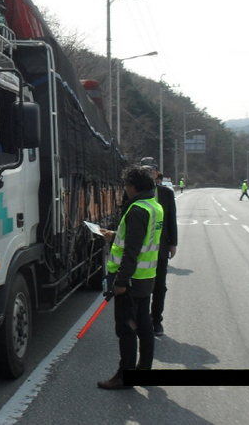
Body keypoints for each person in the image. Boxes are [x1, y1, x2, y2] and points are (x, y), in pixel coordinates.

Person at [97, 165, 164, 390]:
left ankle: (124, 375)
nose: (125, 190)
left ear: (133, 187)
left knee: (126, 327)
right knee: (144, 324)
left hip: (131, 279)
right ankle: (144, 368)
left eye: (126, 185)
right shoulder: (154, 206)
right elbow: (141, 241)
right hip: (147, 277)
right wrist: (114, 237)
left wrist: (120, 283)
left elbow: (131, 252)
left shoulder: (136, 210)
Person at [152, 171, 178, 336]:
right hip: (140, 251)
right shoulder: (134, 193)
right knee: (140, 289)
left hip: (161, 248)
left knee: (159, 287)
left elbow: (171, 218)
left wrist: (173, 243)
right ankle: (141, 321)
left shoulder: (166, 193)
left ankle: (156, 321)